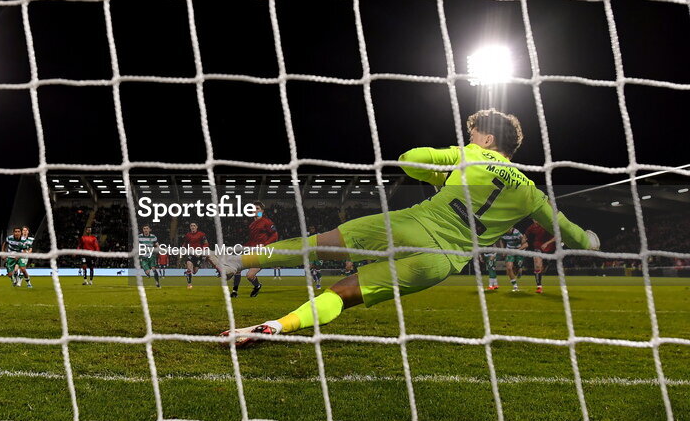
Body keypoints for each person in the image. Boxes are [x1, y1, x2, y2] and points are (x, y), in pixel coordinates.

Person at [210, 109, 600, 347]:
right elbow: (569, 231)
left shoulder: (473, 154)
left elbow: (410, 159)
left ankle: (237, 262)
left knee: (316, 245)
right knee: (342, 295)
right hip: (441, 261)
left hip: (411, 225)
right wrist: (591, 240)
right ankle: (276, 326)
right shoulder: (532, 194)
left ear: (489, 139)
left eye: (474, 134)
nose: (470, 138)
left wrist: (442, 169)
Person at [230, 205, 278, 298]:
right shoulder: (251, 225)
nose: (254, 210)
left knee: (249, 276)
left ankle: (257, 286)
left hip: (261, 253)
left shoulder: (266, 222)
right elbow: (252, 240)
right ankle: (234, 291)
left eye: (257, 209)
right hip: (251, 251)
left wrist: (265, 244)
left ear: (262, 211)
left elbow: (275, 235)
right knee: (238, 269)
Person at [525, 221, 556, 293]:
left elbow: (556, 237)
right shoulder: (533, 226)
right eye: (533, 219)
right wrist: (524, 239)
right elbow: (526, 233)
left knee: (543, 268)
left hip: (549, 249)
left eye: (536, 220)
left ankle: (545, 266)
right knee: (537, 265)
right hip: (537, 248)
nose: (535, 221)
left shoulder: (547, 225)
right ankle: (539, 286)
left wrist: (547, 243)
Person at [182, 222, 209, 289]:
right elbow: (185, 243)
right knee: (189, 265)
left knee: (194, 272)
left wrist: (201, 251)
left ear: (197, 227)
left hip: (199, 255)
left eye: (194, 225)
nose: (192, 227)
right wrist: (183, 248)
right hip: (191, 253)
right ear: (190, 227)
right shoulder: (188, 235)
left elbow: (206, 244)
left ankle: (188, 272)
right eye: (191, 226)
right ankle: (189, 284)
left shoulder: (201, 234)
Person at [500, 226, 526, 291]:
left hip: (518, 250)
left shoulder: (516, 233)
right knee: (509, 268)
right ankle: (515, 286)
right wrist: (503, 250)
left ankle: (520, 269)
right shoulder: (502, 232)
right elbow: (501, 240)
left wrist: (519, 249)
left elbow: (525, 244)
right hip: (509, 250)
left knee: (518, 270)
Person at [307, 225, 323, 290]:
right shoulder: (307, 235)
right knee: (310, 266)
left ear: (315, 229)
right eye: (310, 228)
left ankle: (318, 284)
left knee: (317, 268)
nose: (312, 229)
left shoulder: (318, 235)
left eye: (313, 228)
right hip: (311, 253)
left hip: (317, 253)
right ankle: (314, 276)